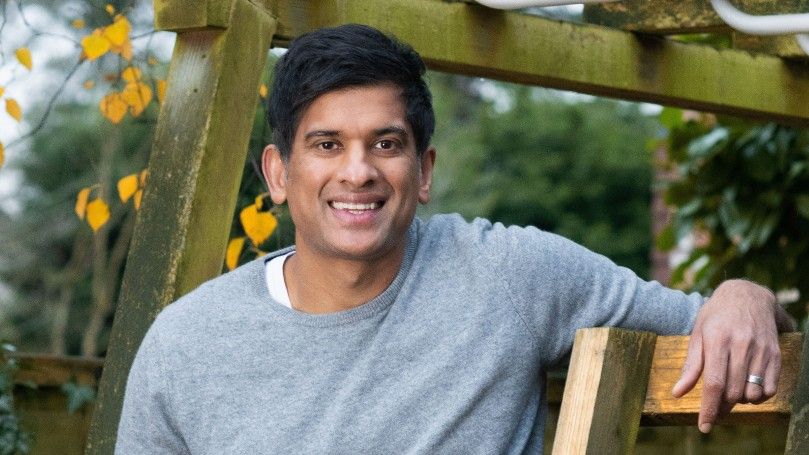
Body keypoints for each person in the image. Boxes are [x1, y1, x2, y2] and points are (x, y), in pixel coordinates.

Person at [116, 24, 794, 453]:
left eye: (386, 143)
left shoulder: (509, 274)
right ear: (278, 172)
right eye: (326, 145)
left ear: (424, 170)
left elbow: (718, 323)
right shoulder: (186, 344)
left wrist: (742, 294)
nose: (358, 171)